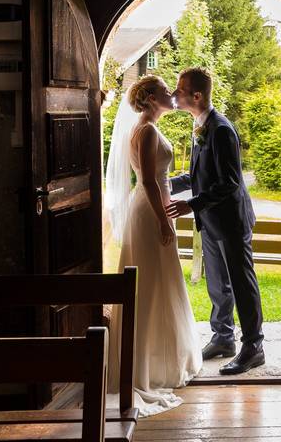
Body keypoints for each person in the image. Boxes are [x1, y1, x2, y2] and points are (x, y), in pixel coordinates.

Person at [104, 75, 202, 417]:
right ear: (148, 98)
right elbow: (146, 179)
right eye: (163, 91)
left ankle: (158, 359)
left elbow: (157, 180)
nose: (170, 94)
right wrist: (162, 219)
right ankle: (142, 368)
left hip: (156, 207)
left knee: (161, 281)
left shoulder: (149, 127)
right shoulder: (145, 130)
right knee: (148, 284)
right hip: (149, 214)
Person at [166, 67, 265, 375]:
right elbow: (200, 174)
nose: (174, 95)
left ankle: (253, 346)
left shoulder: (221, 129)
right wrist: (163, 182)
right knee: (218, 284)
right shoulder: (200, 125)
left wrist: (190, 204)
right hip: (210, 221)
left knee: (241, 283)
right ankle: (223, 338)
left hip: (231, 221)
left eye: (179, 91)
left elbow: (230, 182)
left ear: (196, 96)